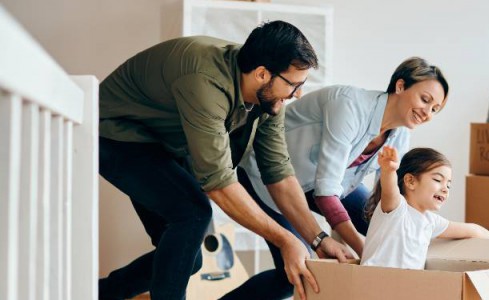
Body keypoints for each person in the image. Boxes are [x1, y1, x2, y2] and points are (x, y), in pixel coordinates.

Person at [97, 21, 351, 300]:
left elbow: (278, 171)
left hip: (164, 143)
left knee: (189, 258)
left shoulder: (269, 100)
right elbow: (218, 182)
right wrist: (285, 239)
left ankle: (96, 293)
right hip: (118, 133)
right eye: (294, 84)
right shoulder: (204, 80)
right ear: (262, 74)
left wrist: (318, 239)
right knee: (193, 214)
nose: (298, 94)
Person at [225, 57, 448, 298]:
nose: (427, 113)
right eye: (425, 100)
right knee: (298, 271)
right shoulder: (349, 105)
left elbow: (393, 207)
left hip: (326, 187)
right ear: (401, 86)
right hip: (268, 176)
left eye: (435, 109)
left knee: (385, 224)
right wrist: (367, 255)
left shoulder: (400, 135)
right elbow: (325, 192)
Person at [360, 147, 489, 269]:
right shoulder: (397, 208)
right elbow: (390, 190)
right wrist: (389, 170)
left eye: (448, 185)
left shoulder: (431, 221)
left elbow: (474, 230)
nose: (445, 189)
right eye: (438, 180)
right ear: (410, 181)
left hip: (405, 289)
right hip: (374, 284)